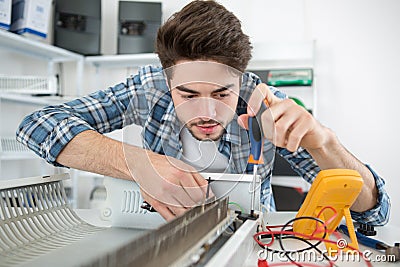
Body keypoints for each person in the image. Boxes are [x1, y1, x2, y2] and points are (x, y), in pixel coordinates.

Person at [17, 0, 389, 224]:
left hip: (252, 239)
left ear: (241, 80)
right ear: (167, 80)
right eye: (188, 93)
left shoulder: (267, 103)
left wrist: (326, 143)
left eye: (222, 93)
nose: (207, 111)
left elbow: (374, 213)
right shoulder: (147, 88)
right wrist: (137, 163)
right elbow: (36, 125)